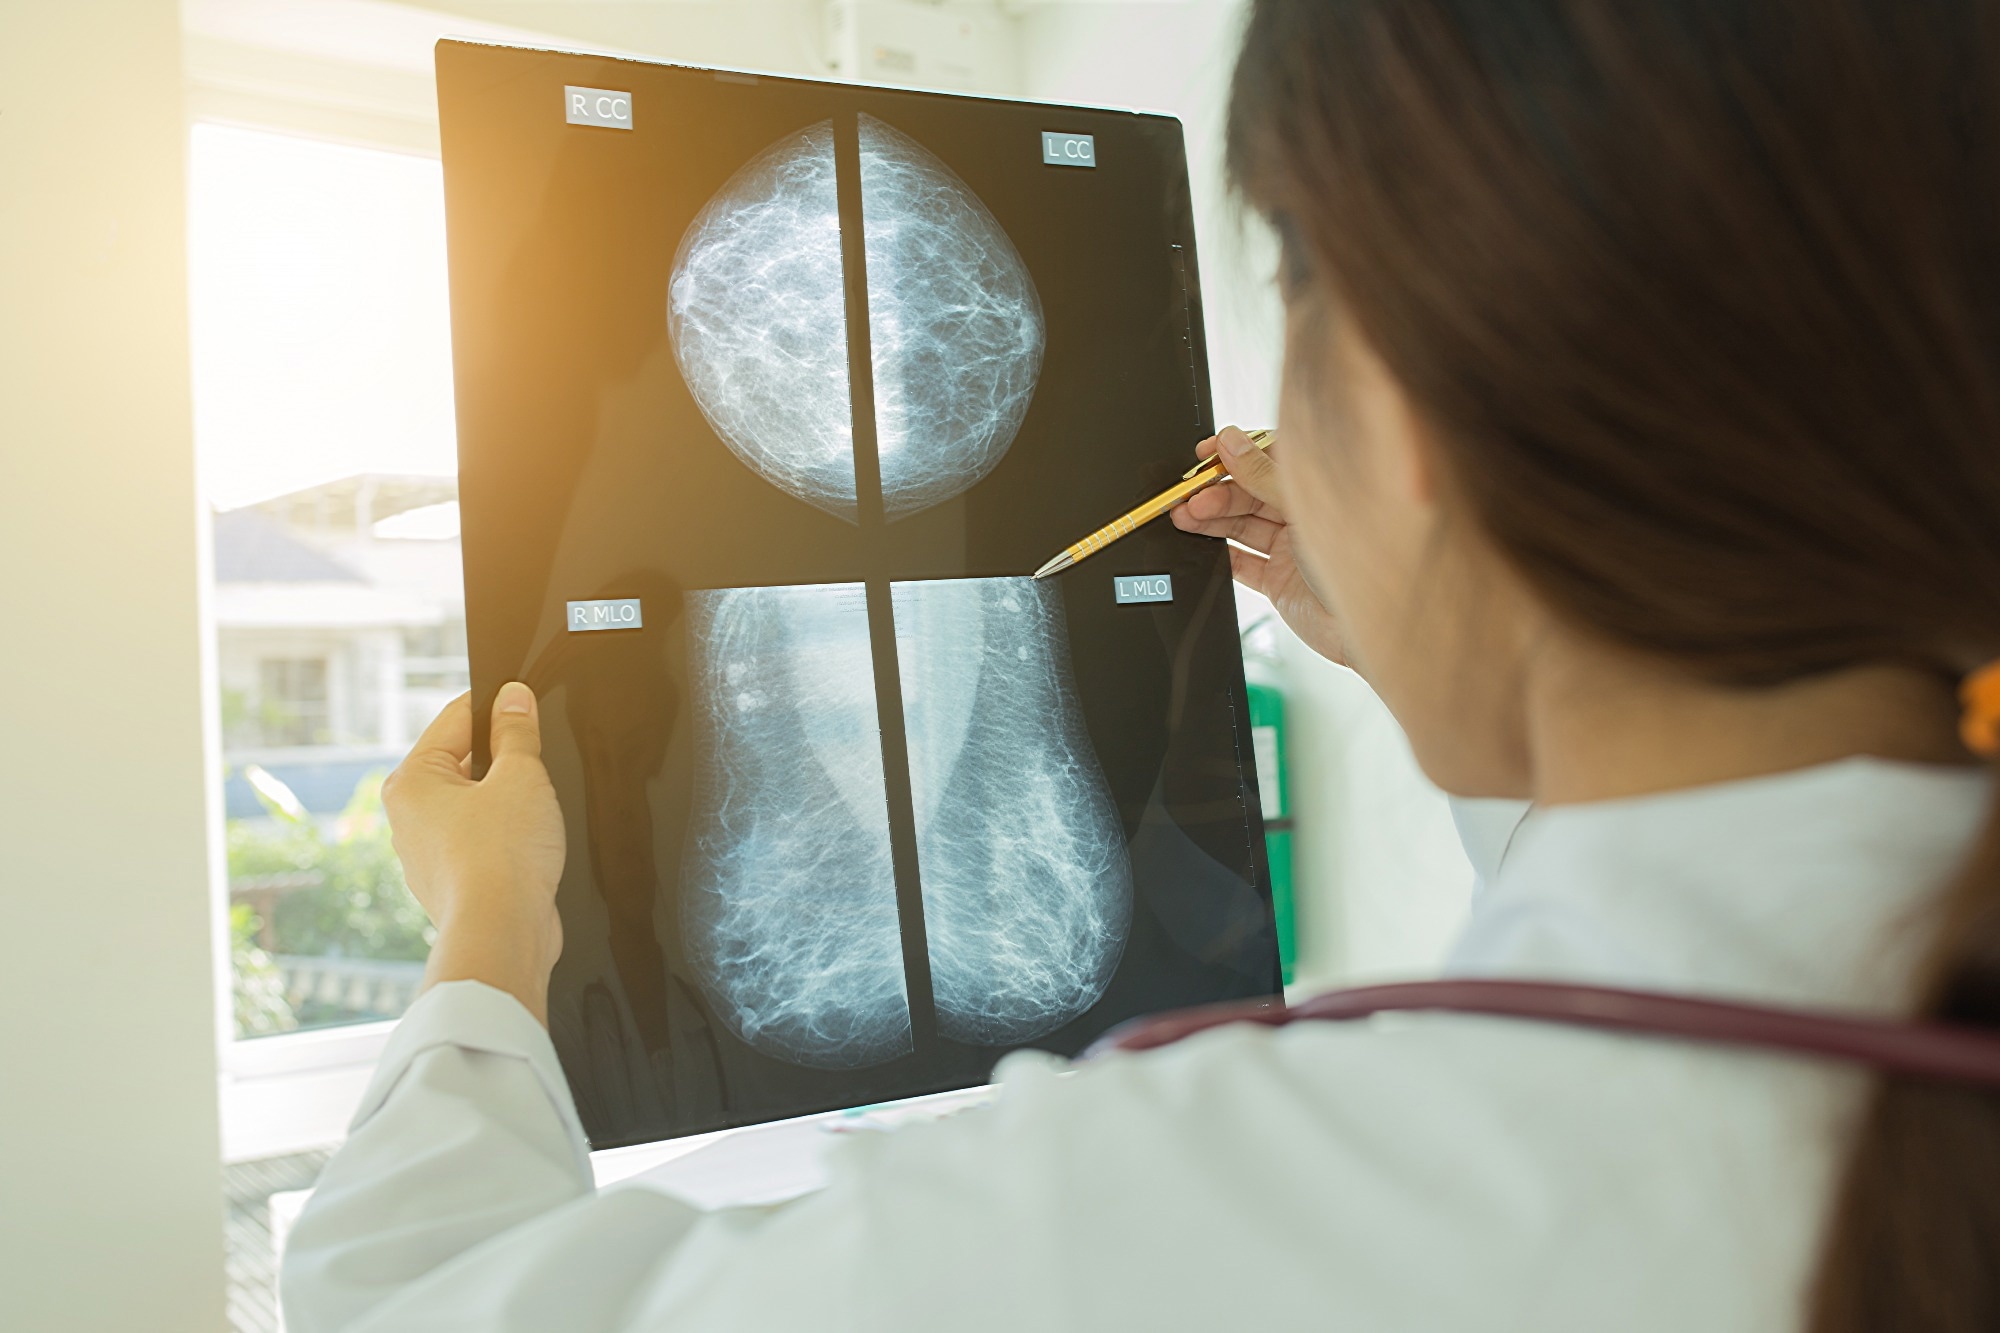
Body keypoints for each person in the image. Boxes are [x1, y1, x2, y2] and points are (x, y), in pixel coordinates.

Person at [281, 1, 2000, 1329]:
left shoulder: (1186, 1208)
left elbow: (407, 1304)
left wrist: (488, 931)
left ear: (1398, 418)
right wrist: (1468, 642)